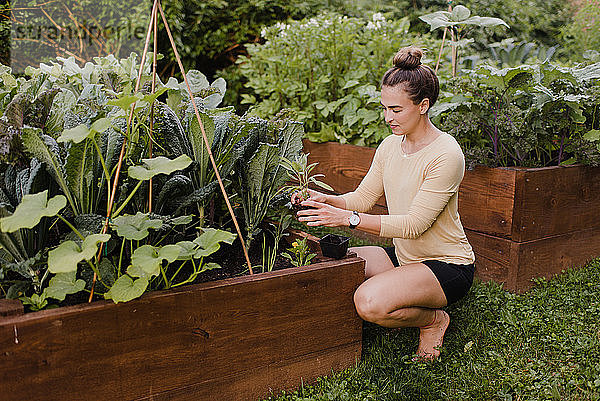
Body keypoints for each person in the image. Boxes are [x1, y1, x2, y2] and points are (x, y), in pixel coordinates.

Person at [294, 46, 475, 360]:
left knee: (369, 302)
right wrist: (327, 199)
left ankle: (434, 321)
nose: (388, 117)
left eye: (396, 109)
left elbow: (414, 225)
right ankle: (398, 296)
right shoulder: (390, 146)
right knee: (335, 261)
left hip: (446, 265)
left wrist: (347, 219)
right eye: (384, 108)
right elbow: (362, 199)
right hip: (406, 257)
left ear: (423, 105)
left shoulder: (446, 154)